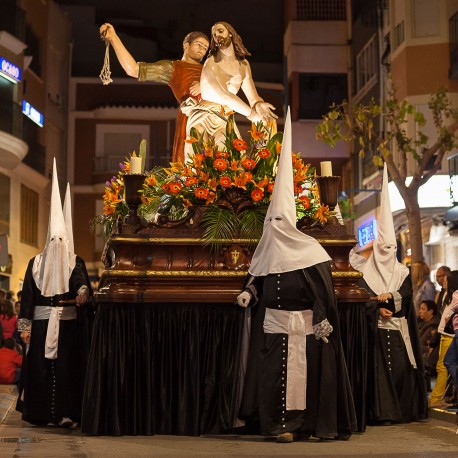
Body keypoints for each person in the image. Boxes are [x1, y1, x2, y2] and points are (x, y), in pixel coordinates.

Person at [236, 110, 356, 443]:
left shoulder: (310, 251)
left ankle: (303, 425)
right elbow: (256, 279)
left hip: (305, 326)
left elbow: (322, 293)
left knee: (305, 377)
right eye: (269, 222)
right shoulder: (266, 249)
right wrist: (250, 294)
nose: (273, 228)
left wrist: (320, 319)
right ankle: (276, 426)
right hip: (273, 326)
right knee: (273, 376)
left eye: (278, 222)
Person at [17, 158, 92, 428]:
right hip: (40, 325)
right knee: (41, 370)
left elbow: (80, 280)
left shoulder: (75, 261)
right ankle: (41, 414)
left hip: (68, 327)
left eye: (61, 241)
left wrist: (82, 290)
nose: (57, 246)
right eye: (53, 241)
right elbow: (27, 296)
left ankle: (66, 413)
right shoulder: (35, 263)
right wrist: (24, 327)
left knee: (65, 371)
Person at [350, 163, 428, 423]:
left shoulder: (403, 273)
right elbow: (358, 302)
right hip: (374, 335)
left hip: (396, 331)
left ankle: (402, 411)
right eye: (382, 247)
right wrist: (375, 306)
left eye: (390, 247)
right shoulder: (364, 275)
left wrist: (390, 301)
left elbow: (405, 300)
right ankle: (378, 413)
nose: (386, 252)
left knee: (401, 372)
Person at [99, 23, 209, 163]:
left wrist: (205, 87)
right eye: (198, 44)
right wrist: (114, 38)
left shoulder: (209, 70)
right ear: (186, 45)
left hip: (215, 117)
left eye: (205, 48)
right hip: (191, 118)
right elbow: (133, 69)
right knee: (192, 164)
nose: (202, 50)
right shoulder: (172, 68)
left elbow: (227, 87)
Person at [185, 22, 277, 156]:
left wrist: (259, 105)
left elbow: (253, 97)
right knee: (199, 164)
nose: (217, 36)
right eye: (214, 35)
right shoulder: (211, 63)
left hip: (225, 119)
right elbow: (224, 96)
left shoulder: (243, 65)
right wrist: (252, 115)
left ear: (231, 33)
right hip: (203, 117)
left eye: (220, 31)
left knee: (235, 162)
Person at [443, 271, 458, 406]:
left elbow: (454, 307)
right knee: (448, 361)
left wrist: (452, 311)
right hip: (456, 331)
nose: (443, 282)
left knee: (449, 361)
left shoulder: (456, 294)